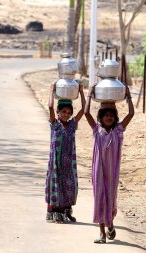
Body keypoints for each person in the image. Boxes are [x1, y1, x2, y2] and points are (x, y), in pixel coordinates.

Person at [84, 84, 134, 243]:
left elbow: (131, 113)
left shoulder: (118, 131)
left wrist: (128, 96)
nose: (109, 117)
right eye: (106, 115)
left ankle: (110, 224)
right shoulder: (96, 129)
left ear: (115, 118)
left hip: (112, 174)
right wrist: (90, 94)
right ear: (100, 117)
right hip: (98, 172)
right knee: (99, 199)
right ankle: (102, 234)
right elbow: (85, 112)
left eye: (111, 115)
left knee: (110, 200)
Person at [45, 83, 85, 223]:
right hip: (56, 163)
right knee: (57, 186)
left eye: (69, 113)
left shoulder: (72, 125)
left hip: (69, 163)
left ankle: (66, 212)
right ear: (58, 112)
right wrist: (51, 90)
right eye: (63, 112)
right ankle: (56, 213)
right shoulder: (55, 124)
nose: (66, 115)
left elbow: (84, 110)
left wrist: (82, 92)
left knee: (69, 186)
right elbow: (50, 106)